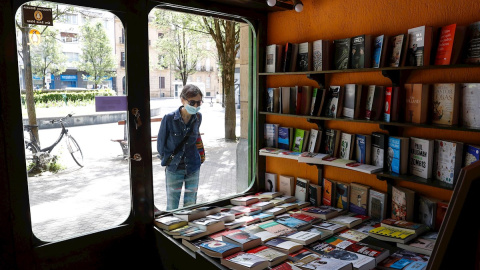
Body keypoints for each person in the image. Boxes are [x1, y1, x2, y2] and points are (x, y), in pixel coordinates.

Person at [157, 84, 204, 211]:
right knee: (172, 206)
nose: (195, 106)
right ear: (182, 100)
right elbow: (160, 145)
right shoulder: (169, 118)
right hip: (174, 168)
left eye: (199, 102)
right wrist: (168, 160)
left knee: (190, 205)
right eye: (192, 102)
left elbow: (195, 140)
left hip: (193, 167)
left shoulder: (198, 117)